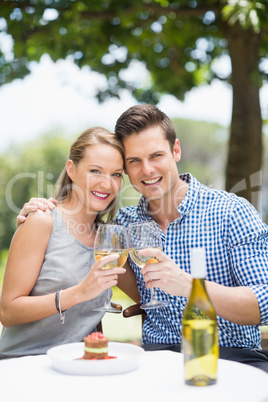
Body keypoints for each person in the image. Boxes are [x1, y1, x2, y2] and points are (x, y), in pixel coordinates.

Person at [15, 105, 268, 372]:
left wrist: (190, 286)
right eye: (134, 161)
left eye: (156, 155)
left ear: (176, 150)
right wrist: (40, 211)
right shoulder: (120, 226)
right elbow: (75, 225)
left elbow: (263, 304)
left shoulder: (232, 212)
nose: (147, 170)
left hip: (230, 356)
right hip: (154, 360)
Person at [0, 127, 139, 359]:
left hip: (77, 368)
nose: (107, 184)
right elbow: (8, 311)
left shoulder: (109, 241)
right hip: (23, 366)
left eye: (116, 174)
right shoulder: (42, 221)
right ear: (71, 170)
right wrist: (78, 293)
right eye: (96, 171)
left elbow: (145, 297)